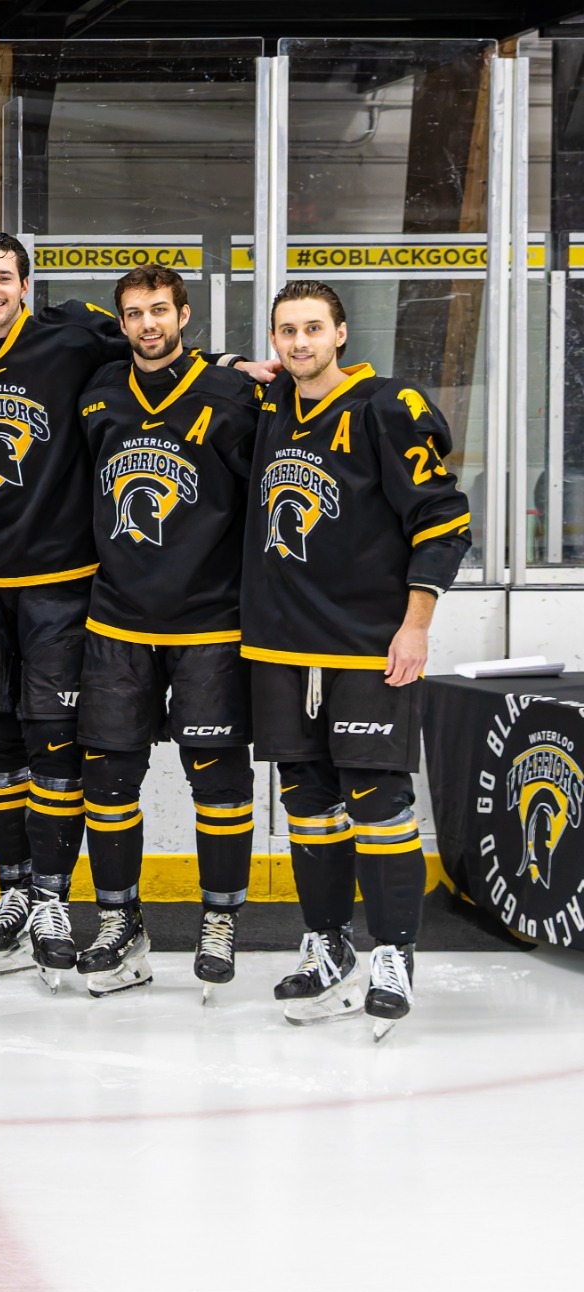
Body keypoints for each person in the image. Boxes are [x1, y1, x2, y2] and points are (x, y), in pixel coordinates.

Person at [0, 231, 267, 990]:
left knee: (72, 752)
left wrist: (231, 363)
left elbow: (167, 359)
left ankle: (72, 899)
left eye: (5, 276)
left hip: (72, 589)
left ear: (27, 282)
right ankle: (39, 897)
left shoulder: (79, 342)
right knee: (6, 749)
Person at [243, 280, 471, 1038]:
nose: (299, 342)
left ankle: (394, 952)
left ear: (341, 334)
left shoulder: (387, 408)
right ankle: (330, 940)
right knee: (308, 807)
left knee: (378, 804)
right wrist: (233, 365)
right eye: (286, 331)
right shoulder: (271, 406)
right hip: (280, 646)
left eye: (313, 328)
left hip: (366, 646)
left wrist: (416, 625)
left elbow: (444, 522)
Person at [74, 263, 262, 998]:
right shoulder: (97, 394)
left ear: (184, 315)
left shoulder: (232, 395)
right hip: (117, 616)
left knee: (217, 778)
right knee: (109, 777)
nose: (147, 324)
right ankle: (121, 923)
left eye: (159, 310)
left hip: (210, 620)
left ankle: (220, 919)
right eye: (133, 313)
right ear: (119, 322)